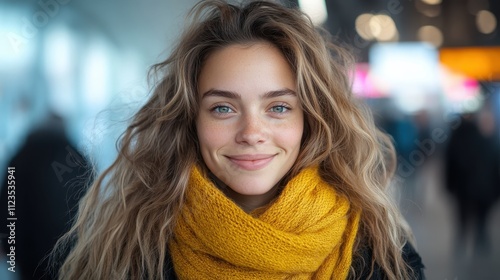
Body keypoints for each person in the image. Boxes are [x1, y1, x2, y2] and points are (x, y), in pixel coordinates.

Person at [55, 1, 424, 279]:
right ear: (191, 121)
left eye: (278, 107)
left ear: (311, 120)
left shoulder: (382, 255)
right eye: (222, 109)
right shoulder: (130, 252)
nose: (251, 133)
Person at [445, 107, 500, 257]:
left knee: (464, 220)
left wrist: (450, 186)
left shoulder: (459, 137)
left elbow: (451, 164)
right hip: (481, 190)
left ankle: (465, 245)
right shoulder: (486, 141)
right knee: (478, 221)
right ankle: (478, 246)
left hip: (466, 190)